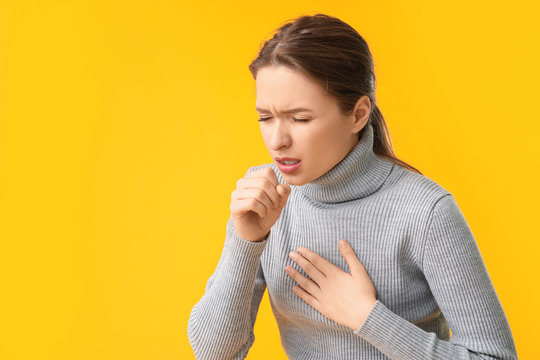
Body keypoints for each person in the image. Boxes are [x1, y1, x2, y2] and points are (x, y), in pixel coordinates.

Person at [187, 13, 518, 360]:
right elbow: (214, 354)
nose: (277, 140)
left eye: (300, 119)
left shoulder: (425, 211)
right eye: (265, 118)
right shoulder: (266, 198)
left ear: (359, 114)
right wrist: (246, 240)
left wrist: (368, 318)